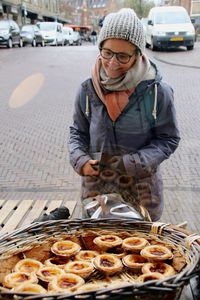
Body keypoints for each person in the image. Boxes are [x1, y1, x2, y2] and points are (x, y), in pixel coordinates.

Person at [68, 8, 180, 222]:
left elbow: (168, 139)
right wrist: (80, 160)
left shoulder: (157, 92)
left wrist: (132, 163)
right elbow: (77, 132)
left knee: (142, 252)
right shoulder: (87, 89)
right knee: (97, 250)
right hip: (97, 193)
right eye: (107, 53)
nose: (112, 63)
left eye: (122, 56)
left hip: (141, 193)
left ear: (138, 54)